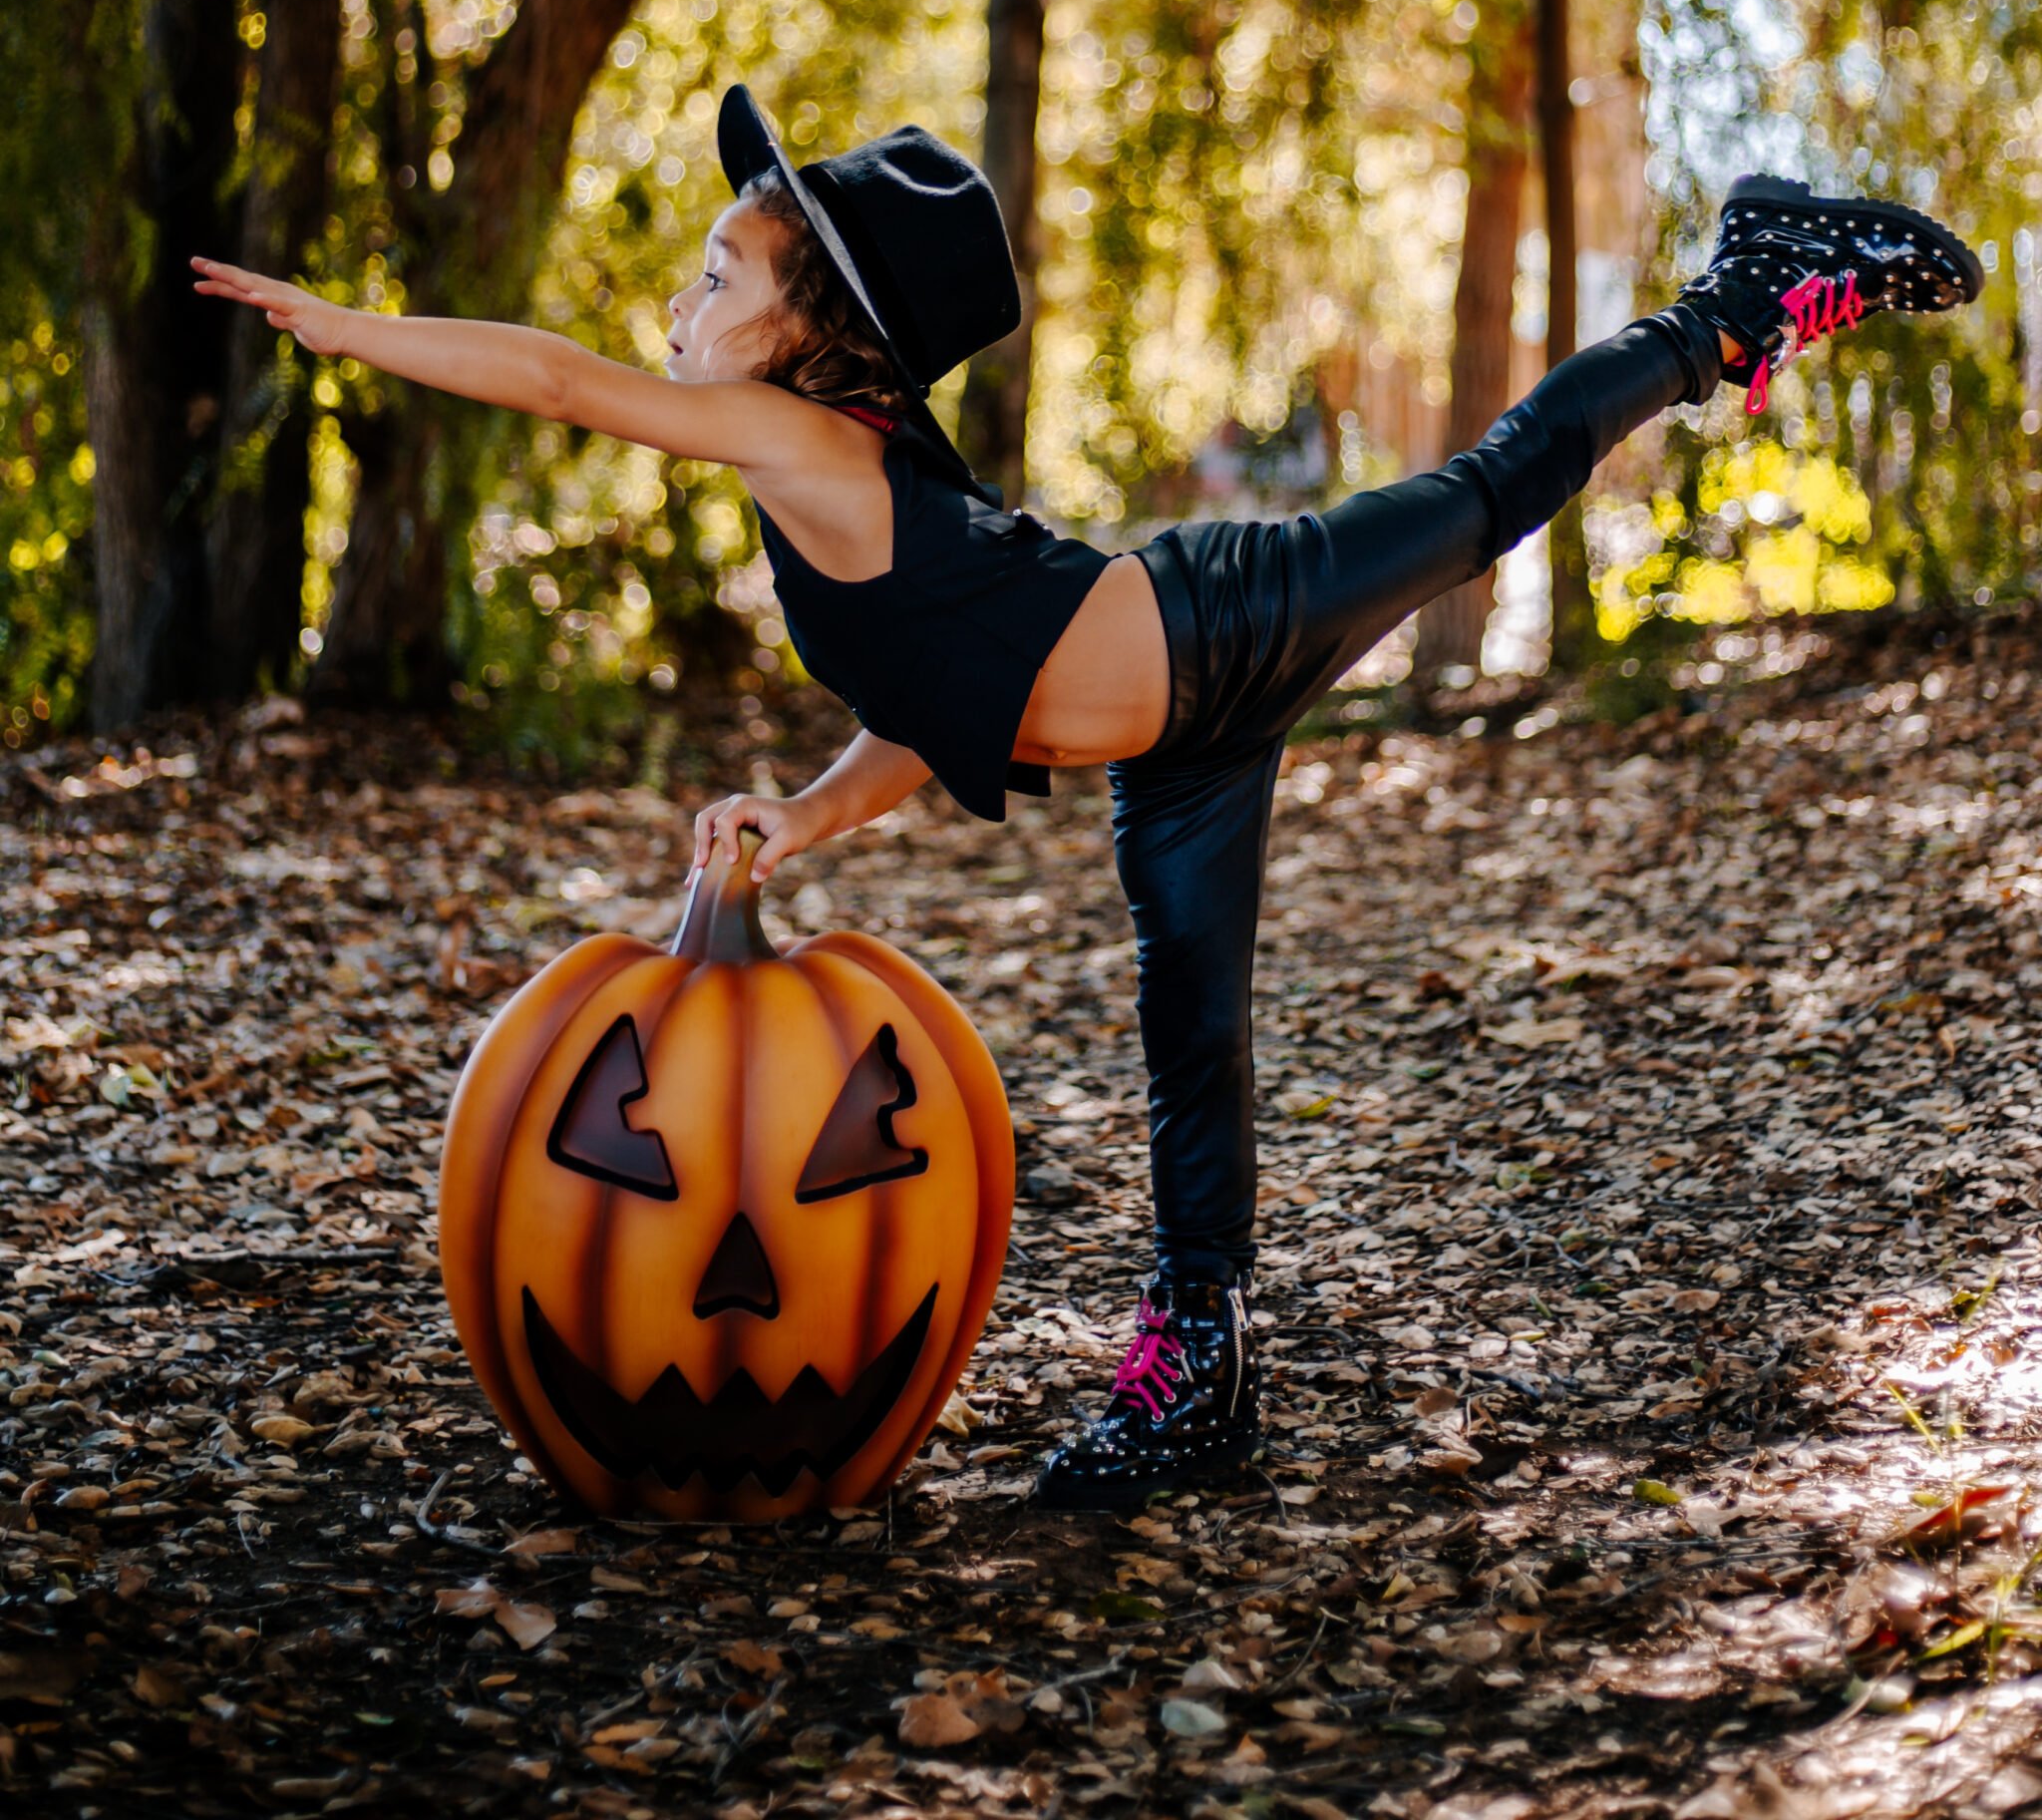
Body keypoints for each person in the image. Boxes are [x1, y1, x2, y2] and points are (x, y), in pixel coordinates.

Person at [193, 92, 1981, 1509]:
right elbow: (940, 704)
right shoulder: (840, 490)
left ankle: (1743, 289)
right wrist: (805, 822)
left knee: (1497, 490)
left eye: (720, 281)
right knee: (1187, 1043)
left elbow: (564, 381)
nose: (683, 306)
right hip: (1175, 744)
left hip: (1221, 614)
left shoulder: (802, 447)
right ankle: (1196, 1371)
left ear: (824, 343)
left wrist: (348, 327)